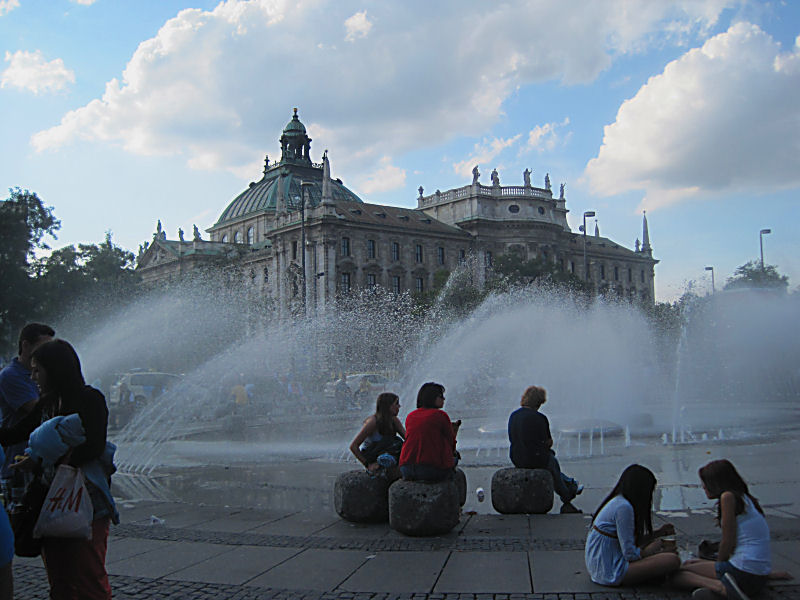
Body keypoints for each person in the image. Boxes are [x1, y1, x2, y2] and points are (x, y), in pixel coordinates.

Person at [22, 339, 118, 600]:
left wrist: (58, 458)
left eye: (37, 370)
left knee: (88, 575)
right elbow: (17, 432)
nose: (33, 377)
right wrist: (35, 458)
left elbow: (95, 444)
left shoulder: (90, 398)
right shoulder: (47, 403)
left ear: (55, 369)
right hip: (50, 502)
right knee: (59, 576)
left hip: (87, 501)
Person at [672, 459, 793, 600]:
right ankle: (718, 589)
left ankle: (721, 588)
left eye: (705, 482)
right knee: (690, 563)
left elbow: (728, 541)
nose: (703, 487)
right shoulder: (745, 498)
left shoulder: (727, 497)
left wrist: (719, 566)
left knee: (676, 573)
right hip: (757, 574)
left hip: (743, 572)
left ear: (716, 482)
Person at [585, 464, 680, 587]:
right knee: (673, 560)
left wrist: (658, 533)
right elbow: (630, 554)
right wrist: (654, 548)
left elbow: (630, 541)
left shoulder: (618, 501)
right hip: (612, 571)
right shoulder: (624, 508)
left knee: (670, 559)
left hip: (603, 567)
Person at [0, 323, 54, 507]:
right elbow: (35, 411)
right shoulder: (11, 376)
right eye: (43, 346)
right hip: (18, 464)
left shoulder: (44, 374)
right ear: (25, 345)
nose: (47, 353)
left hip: (39, 463)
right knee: (22, 525)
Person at [507, 385, 582, 513]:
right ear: (538, 402)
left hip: (516, 457)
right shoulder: (539, 418)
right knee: (551, 461)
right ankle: (567, 493)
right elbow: (548, 442)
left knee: (550, 462)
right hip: (535, 458)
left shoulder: (514, 416)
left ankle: (571, 484)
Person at [399, 382, 460, 482]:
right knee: (455, 458)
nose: (444, 399)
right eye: (441, 396)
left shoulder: (411, 416)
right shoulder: (440, 415)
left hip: (406, 469)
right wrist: (454, 432)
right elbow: (451, 444)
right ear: (432, 398)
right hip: (430, 470)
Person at [349, 393, 406, 477]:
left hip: (389, 451)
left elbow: (407, 438)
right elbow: (354, 446)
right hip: (373, 453)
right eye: (396, 404)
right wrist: (368, 464)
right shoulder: (373, 422)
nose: (399, 406)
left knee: (398, 443)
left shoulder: (393, 420)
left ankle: (390, 460)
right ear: (388, 406)